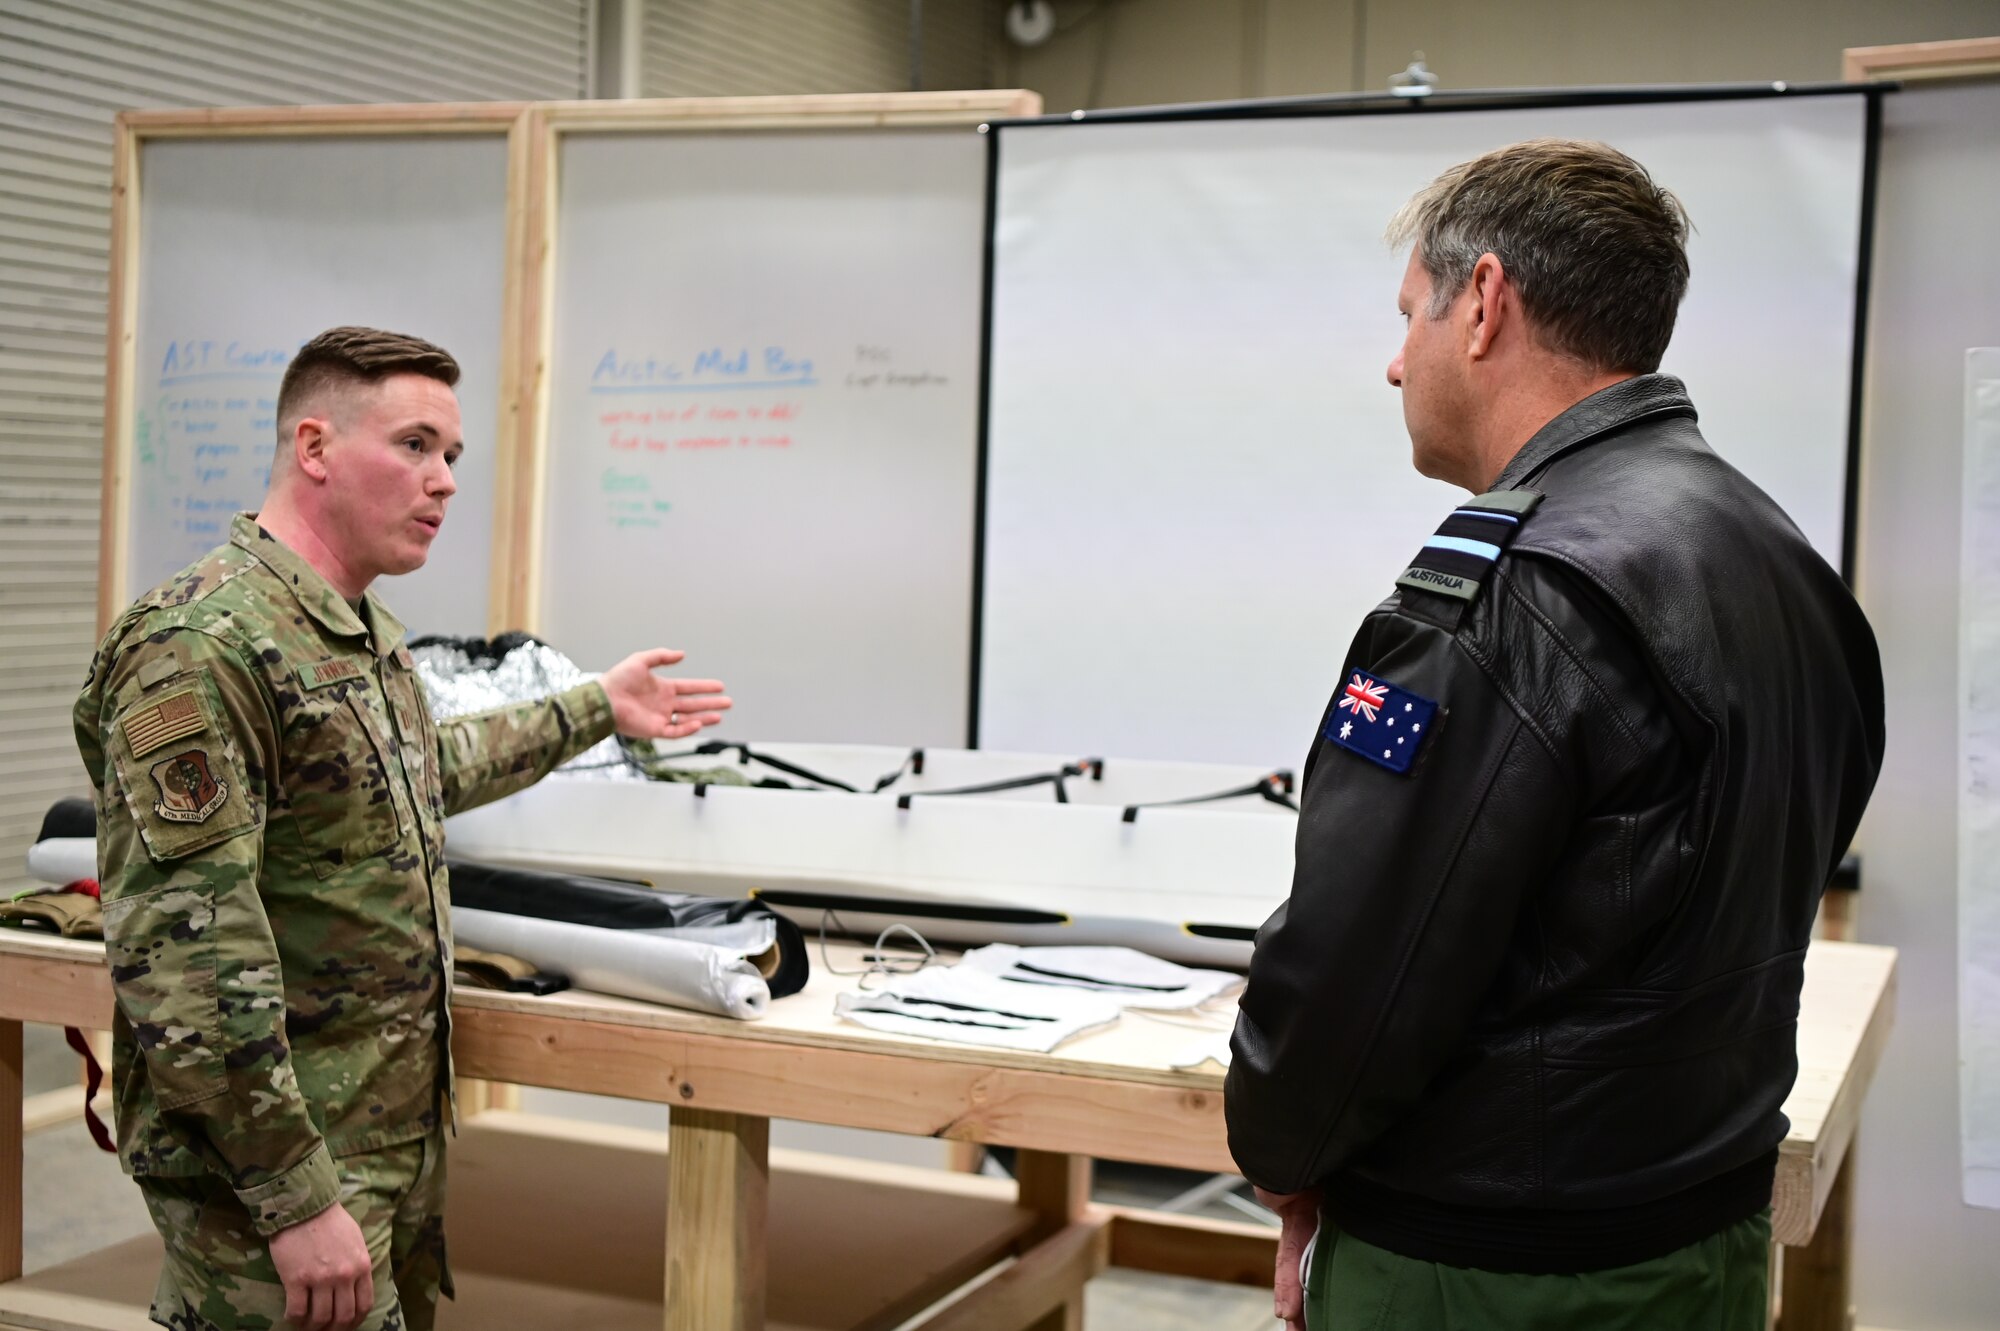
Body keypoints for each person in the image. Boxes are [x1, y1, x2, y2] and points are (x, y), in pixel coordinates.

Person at [1225, 140, 1885, 1329]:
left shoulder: (1511, 591)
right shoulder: (1776, 555)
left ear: (1481, 302)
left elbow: (1360, 954)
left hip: (1491, 1273)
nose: (1393, 362)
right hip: (1707, 1245)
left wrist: (1279, 1152)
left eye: (1408, 313)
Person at [75, 326, 733, 1331]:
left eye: (452, 456)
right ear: (315, 446)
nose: (445, 481)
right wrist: (293, 1197)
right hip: (281, 1174)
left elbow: (424, 772)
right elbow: (188, 954)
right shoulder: (201, 643)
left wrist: (595, 704)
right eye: (416, 445)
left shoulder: (351, 628)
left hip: (382, 1150)